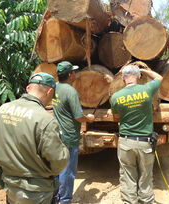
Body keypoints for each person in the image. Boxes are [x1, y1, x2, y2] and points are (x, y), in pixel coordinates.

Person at [0, 72, 70, 204]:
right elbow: (59, 160)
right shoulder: (45, 120)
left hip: (10, 185)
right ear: (49, 91)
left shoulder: (3, 109)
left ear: (28, 88)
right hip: (36, 192)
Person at [110, 65, 163, 204]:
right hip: (145, 142)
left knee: (128, 176)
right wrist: (144, 70)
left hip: (126, 142)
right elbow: (159, 78)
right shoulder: (146, 90)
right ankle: (146, 201)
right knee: (145, 176)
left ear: (122, 79)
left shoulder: (116, 97)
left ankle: (130, 201)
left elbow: (116, 118)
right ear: (138, 77)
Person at [52, 61, 95, 204]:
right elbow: (78, 116)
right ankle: (64, 200)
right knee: (68, 171)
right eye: (74, 71)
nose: (75, 73)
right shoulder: (71, 92)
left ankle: (55, 196)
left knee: (58, 167)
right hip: (69, 136)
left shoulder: (55, 87)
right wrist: (88, 119)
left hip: (58, 133)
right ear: (70, 75)